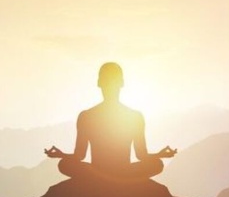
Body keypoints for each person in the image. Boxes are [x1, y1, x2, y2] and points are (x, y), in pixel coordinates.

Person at [45, 62, 176, 180]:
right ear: (122, 83)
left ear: (98, 83)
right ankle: (119, 181)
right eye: (107, 81)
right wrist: (160, 154)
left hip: (101, 172)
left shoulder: (88, 116)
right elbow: (141, 155)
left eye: (111, 81)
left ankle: (102, 180)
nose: (110, 85)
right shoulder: (133, 116)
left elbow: (79, 156)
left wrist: (61, 155)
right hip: (122, 172)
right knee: (156, 164)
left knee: (65, 164)